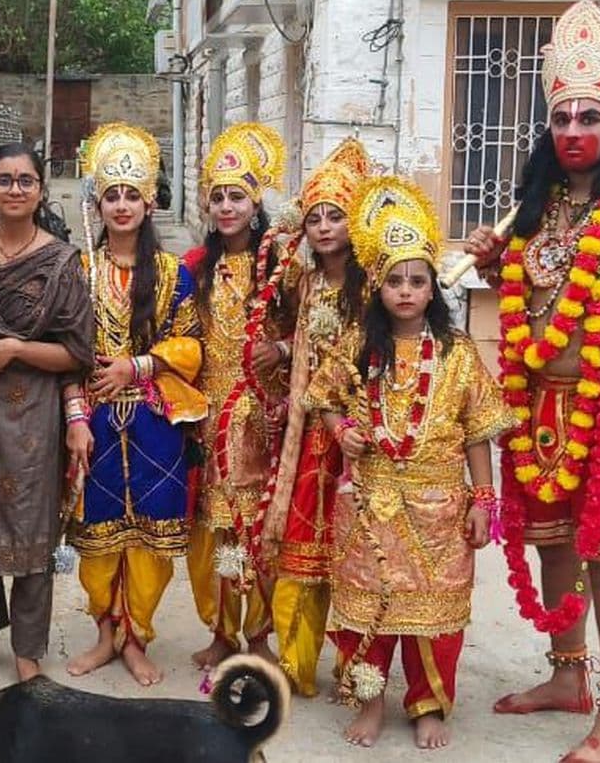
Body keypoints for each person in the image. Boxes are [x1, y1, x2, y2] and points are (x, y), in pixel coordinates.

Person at [463, 0, 600, 763]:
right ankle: (566, 679)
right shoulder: (540, 205)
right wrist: (494, 254)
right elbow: (526, 291)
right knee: (553, 547)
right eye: (562, 118)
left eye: (590, 116)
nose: (575, 130)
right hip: (537, 403)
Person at [305, 177, 514, 749]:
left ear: (431, 291)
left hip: (440, 509)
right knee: (366, 610)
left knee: (436, 619)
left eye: (417, 281)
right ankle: (369, 700)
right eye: (394, 280)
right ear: (378, 287)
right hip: (370, 502)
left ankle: (429, 706)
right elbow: (322, 397)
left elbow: (479, 432)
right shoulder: (356, 344)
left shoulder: (459, 353)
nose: (405, 291)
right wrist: (341, 429)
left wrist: (484, 501)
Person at [0, 144, 94, 682]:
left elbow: (78, 353)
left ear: (40, 190)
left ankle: (28, 649)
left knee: (33, 529)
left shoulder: (60, 260)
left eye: (25, 180)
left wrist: (15, 349)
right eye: (4, 179)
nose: (14, 189)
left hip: (34, 411)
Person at [64, 123, 205, 687]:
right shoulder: (77, 271)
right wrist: (75, 418)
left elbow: (192, 344)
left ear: (149, 203)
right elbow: (67, 351)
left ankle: (137, 636)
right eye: (111, 195)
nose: (121, 205)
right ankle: (105, 635)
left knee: (152, 541)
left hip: (154, 421)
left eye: (131, 195)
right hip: (94, 420)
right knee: (98, 540)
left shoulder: (173, 274)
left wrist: (138, 365)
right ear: (97, 205)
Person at [183, 122, 300, 670]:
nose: (227, 206)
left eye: (238, 196)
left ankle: (259, 636)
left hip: (262, 413)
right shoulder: (195, 268)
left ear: (256, 203)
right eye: (219, 196)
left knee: (258, 528)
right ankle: (223, 631)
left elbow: (320, 328)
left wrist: (280, 346)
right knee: (217, 529)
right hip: (211, 415)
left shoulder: (282, 265)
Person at [265, 137, 372, 696]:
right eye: (315, 218)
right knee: (303, 552)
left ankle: (356, 671)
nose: (325, 227)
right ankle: (295, 664)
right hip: (310, 437)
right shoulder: (301, 282)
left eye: (336, 216)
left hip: (361, 436)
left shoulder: (374, 287)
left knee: (357, 553)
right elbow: (283, 332)